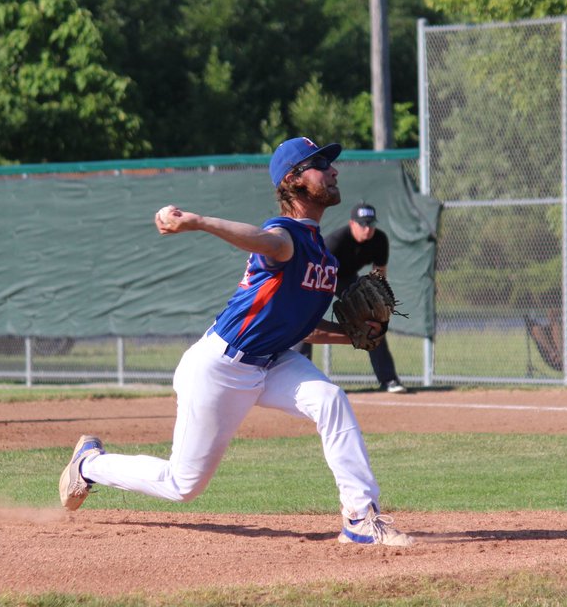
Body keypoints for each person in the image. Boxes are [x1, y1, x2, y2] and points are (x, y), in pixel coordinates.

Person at [58, 137, 414, 546]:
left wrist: (351, 335)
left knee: (330, 400)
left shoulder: (325, 257)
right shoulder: (284, 236)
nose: (333, 171)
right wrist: (197, 221)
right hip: (220, 366)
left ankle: (359, 518)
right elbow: (261, 240)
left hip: (273, 360)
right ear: (294, 180)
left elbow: (303, 327)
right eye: (320, 165)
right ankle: (90, 465)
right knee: (182, 485)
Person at [300, 202, 407, 393]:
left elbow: (379, 272)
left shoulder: (379, 240)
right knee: (307, 322)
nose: (367, 228)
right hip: (320, 277)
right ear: (352, 224)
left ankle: (389, 379)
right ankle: (300, 378)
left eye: (370, 224)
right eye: (362, 224)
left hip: (347, 279)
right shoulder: (337, 241)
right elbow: (316, 269)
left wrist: (379, 298)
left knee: (373, 321)